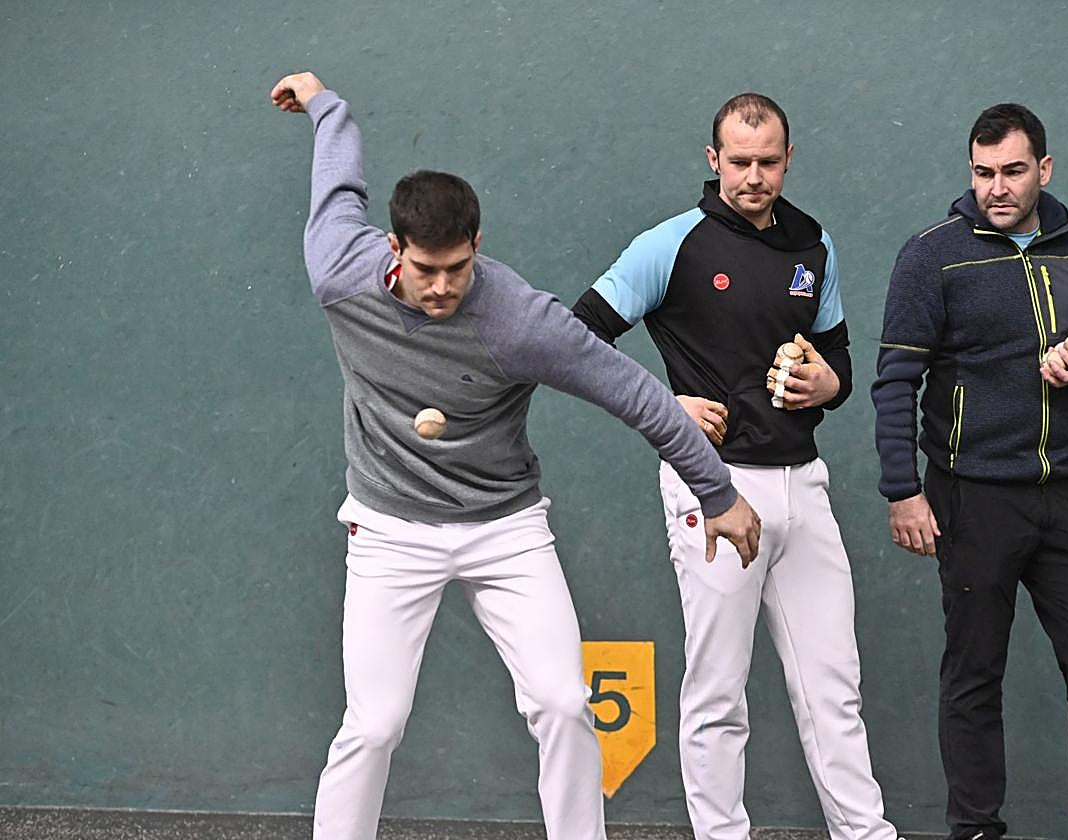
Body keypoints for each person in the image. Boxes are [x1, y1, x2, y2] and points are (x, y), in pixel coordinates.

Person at [268, 71, 762, 840]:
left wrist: (718, 493)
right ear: (393, 248)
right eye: (425, 270)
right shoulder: (340, 271)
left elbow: (634, 394)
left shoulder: (519, 320)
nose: (441, 288)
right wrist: (326, 105)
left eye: (457, 269)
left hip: (505, 527)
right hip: (390, 528)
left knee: (565, 703)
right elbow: (338, 188)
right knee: (373, 724)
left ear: (479, 246)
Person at [573, 93, 900, 840]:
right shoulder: (671, 244)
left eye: (769, 162)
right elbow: (575, 339)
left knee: (834, 686)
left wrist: (831, 383)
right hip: (713, 487)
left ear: (789, 159)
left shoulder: (814, 245)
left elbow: (837, 353)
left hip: (803, 485)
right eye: (740, 161)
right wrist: (664, 404)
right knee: (719, 690)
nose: (754, 176)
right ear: (713, 159)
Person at [871, 103, 1068, 840]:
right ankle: (977, 831)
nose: (998, 187)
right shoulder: (932, 255)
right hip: (972, 499)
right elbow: (896, 381)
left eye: (1013, 171)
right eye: (984, 173)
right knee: (973, 678)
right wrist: (903, 490)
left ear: (1043, 170)